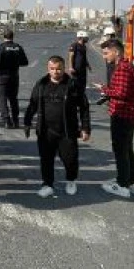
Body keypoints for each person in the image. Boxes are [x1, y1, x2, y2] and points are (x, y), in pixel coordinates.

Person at [24, 56, 91, 197]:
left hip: (67, 131)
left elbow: (84, 107)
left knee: (70, 159)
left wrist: (85, 128)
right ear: (48, 69)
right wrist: (27, 122)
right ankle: (47, 184)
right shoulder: (41, 84)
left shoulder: (73, 85)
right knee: (46, 160)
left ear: (64, 68)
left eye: (59, 68)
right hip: (45, 131)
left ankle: (71, 180)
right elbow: (32, 105)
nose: (56, 71)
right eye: (52, 69)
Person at [95, 39, 134, 198]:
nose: (104, 57)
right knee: (127, 149)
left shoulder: (123, 69)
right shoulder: (130, 67)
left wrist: (104, 90)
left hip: (122, 116)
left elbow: (121, 93)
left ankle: (122, 185)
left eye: (106, 53)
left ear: (116, 52)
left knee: (120, 151)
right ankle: (131, 182)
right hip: (130, 115)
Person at [0, 29, 29, 128]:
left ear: (3, 36)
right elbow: (25, 62)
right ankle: (16, 121)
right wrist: (15, 63)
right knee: (13, 99)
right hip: (14, 76)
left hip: (1, 77)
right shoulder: (18, 47)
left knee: (2, 99)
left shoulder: (1, 47)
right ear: (13, 36)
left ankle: (7, 121)